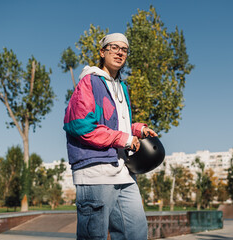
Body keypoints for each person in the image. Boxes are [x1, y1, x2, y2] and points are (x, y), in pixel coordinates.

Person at [63, 33, 157, 240]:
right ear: (102, 52)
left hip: (123, 170)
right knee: (93, 236)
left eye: (124, 49)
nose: (120, 52)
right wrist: (123, 138)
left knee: (135, 232)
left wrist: (137, 130)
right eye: (114, 47)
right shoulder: (89, 82)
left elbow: (113, 124)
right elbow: (81, 126)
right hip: (95, 172)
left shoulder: (121, 87)